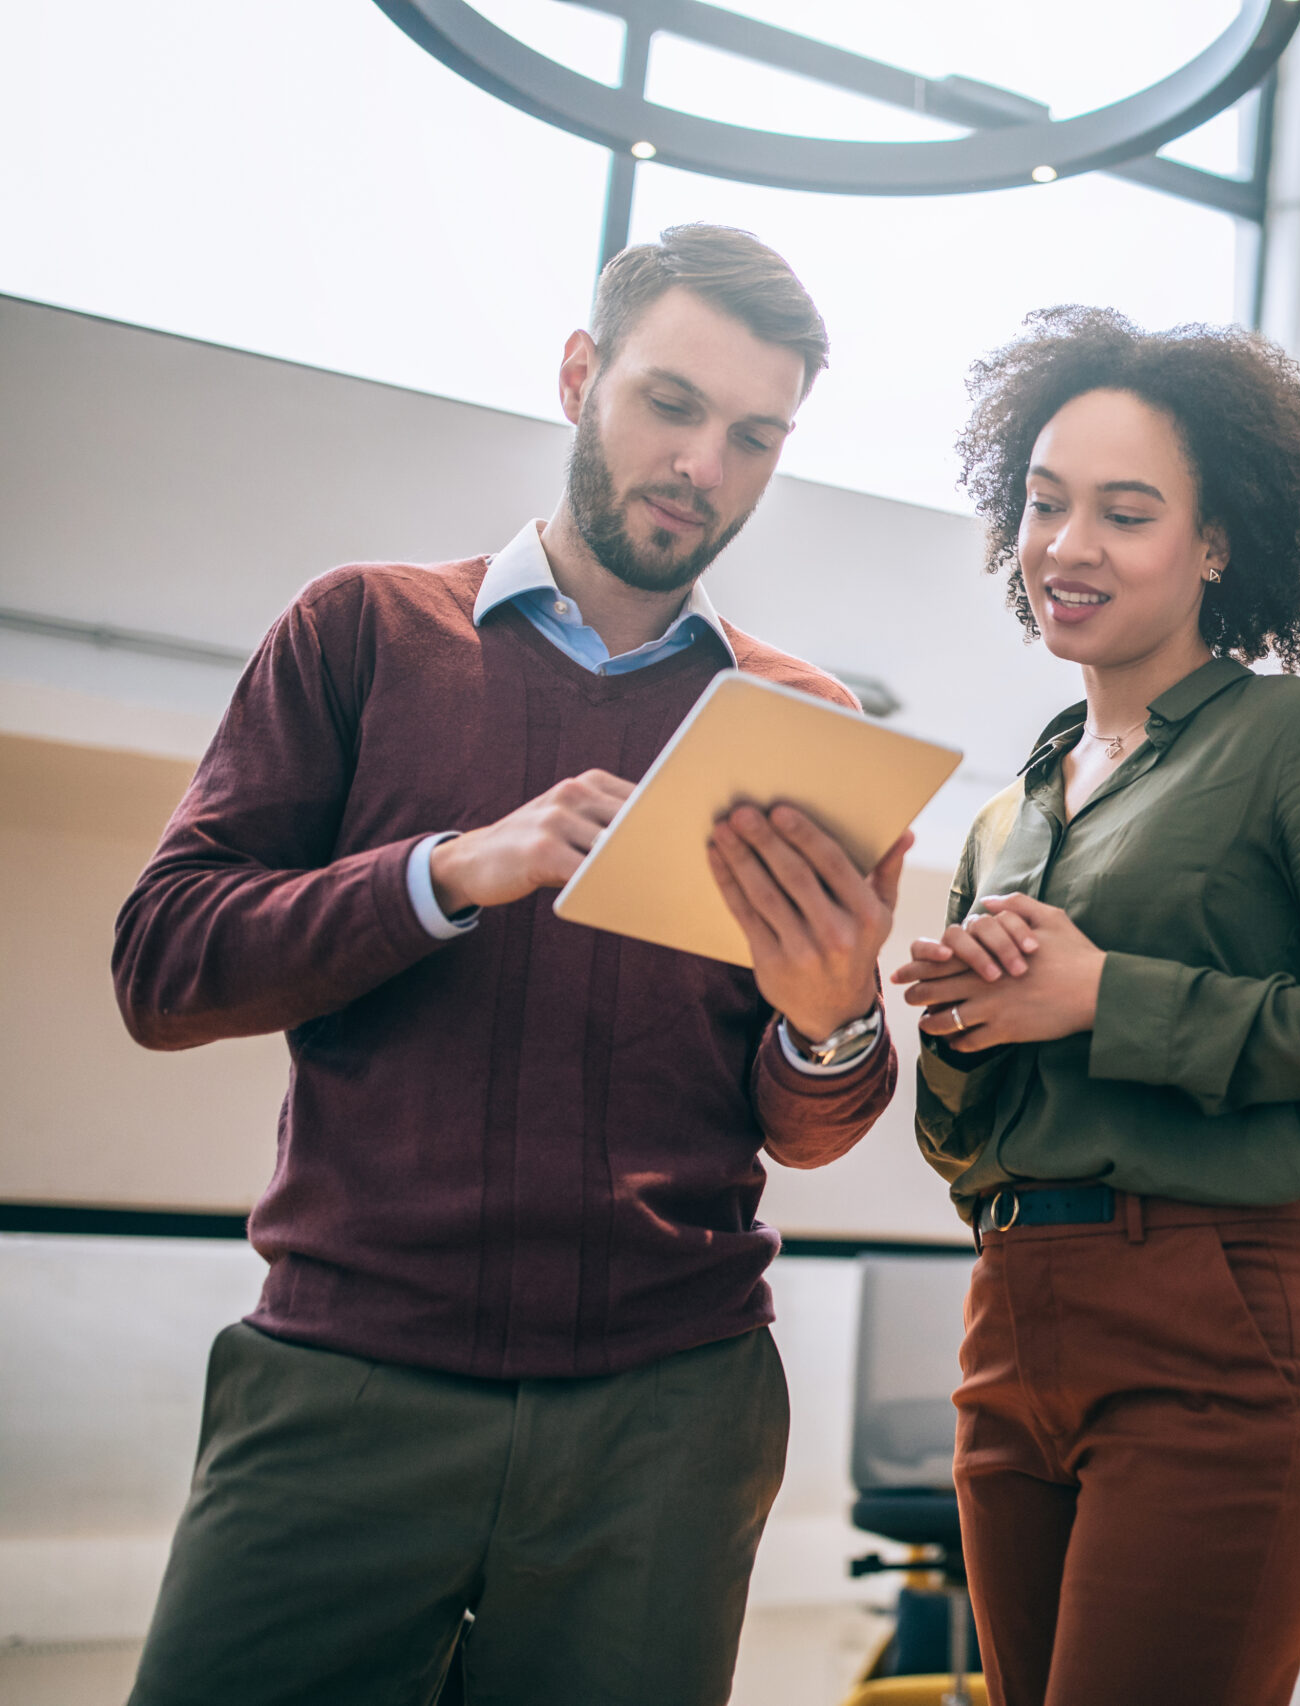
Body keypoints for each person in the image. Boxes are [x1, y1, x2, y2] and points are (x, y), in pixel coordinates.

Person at [111, 225, 910, 1705]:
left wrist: (826, 1025)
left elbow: (811, 1120)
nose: (703, 464)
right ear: (579, 376)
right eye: (671, 405)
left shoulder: (803, 722)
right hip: (346, 1385)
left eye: (753, 435)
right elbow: (163, 964)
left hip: (671, 1412)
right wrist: (447, 872)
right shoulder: (363, 631)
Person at [885, 306, 1300, 1706]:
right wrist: (961, 1026)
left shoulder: (1290, 738)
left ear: (1216, 545)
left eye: (1125, 513)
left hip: (1221, 1319)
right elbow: (966, 1147)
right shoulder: (1009, 808)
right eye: (1044, 503)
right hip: (1011, 1310)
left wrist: (1105, 996)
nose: (1067, 547)